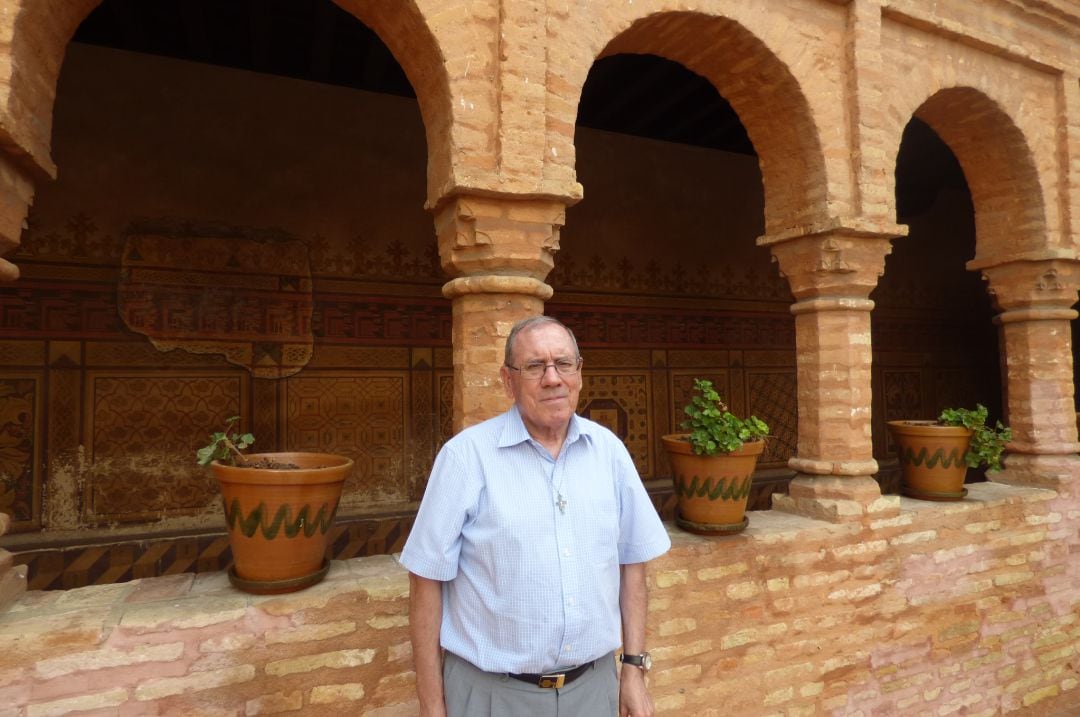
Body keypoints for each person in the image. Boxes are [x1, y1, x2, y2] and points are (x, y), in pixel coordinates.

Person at [400, 315, 671, 717]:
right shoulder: (465, 458)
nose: (552, 378)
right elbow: (425, 581)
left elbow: (632, 564)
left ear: (579, 373)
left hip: (593, 691)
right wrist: (431, 706)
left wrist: (633, 670)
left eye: (563, 364)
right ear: (508, 380)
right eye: (534, 367)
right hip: (493, 696)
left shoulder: (609, 452)